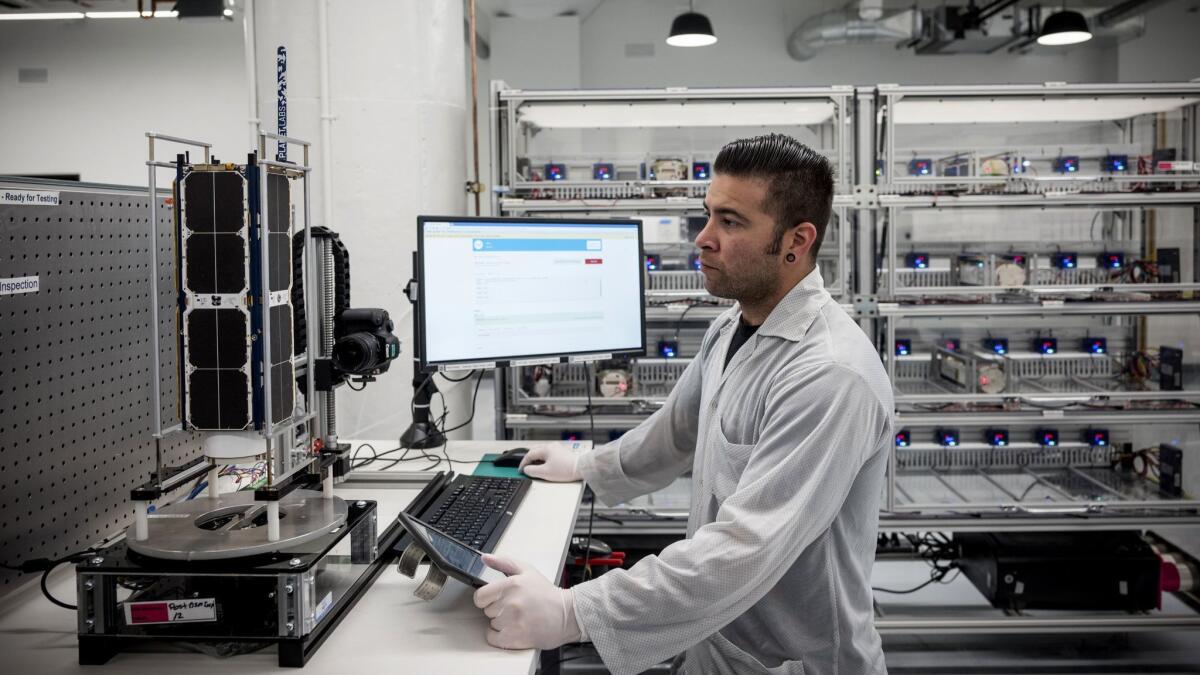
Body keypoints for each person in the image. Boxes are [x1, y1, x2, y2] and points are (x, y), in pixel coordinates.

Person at [473, 133, 894, 675]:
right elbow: (675, 432)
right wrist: (584, 467)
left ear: (796, 240)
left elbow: (747, 548)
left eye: (731, 221)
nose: (703, 238)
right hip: (719, 640)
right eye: (707, 215)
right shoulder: (734, 327)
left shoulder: (830, 375)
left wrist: (574, 610)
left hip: (794, 661)